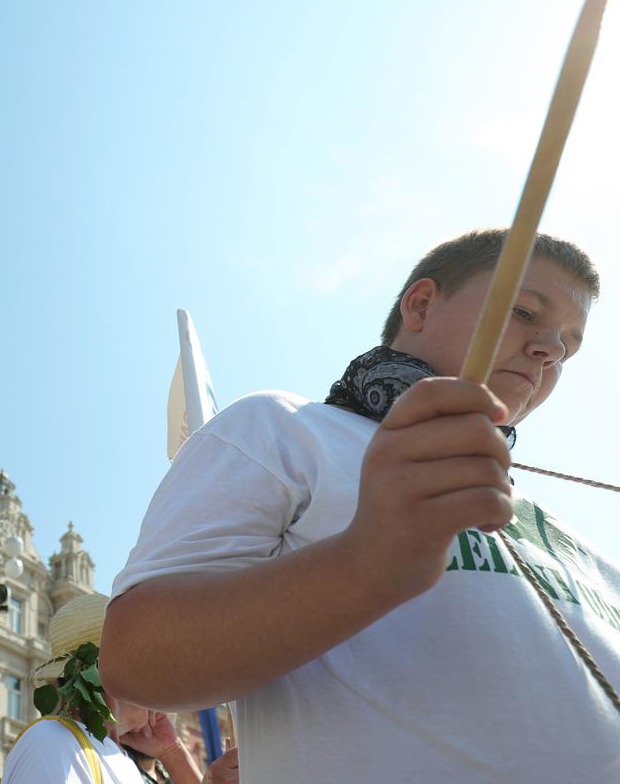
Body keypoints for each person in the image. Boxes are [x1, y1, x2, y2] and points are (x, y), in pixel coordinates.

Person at [102, 230, 618, 781]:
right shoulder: (286, 428)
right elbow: (136, 662)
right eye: (523, 311)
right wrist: (371, 559)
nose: (551, 350)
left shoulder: (573, 537)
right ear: (420, 305)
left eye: (569, 344)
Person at [2, 593, 236, 784]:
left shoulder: (117, 757)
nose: (159, 689)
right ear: (113, 676)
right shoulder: (52, 743)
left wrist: (171, 753)